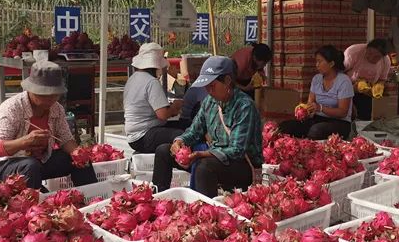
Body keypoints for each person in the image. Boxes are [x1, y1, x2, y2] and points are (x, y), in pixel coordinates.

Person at [153, 56, 263, 197]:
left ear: (228, 81)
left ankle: (207, 213)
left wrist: (201, 154)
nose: (208, 90)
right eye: (206, 86)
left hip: (243, 166)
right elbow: (194, 131)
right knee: (163, 151)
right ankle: (158, 200)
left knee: (204, 167)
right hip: (216, 158)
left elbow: (237, 151)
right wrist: (180, 141)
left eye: (212, 85)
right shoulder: (209, 102)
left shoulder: (244, 106)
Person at [0, 61, 97, 189]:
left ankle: (93, 198)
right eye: (45, 94)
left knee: (80, 160)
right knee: (30, 166)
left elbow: (66, 139)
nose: (50, 99)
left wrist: (76, 152)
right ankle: (31, 204)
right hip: (5, 165)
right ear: (31, 90)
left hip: (39, 161)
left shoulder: (56, 109)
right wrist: (25, 141)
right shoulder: (12, 108)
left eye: (54, 94)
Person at [278, 45, 354, 140]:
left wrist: (320, 108)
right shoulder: (316, 79)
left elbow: (343, 112)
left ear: (331, 64)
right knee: (285, 127)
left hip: (340, 123)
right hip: (317, 119)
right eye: (316, 61)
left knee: (316, 130)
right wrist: (305, 110)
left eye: (320, 61)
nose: (316, 65)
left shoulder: (344, 81)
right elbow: (311, 103)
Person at [123, 43, 184, 154]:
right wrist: (175, 107)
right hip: (143, 136)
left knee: (185, 124)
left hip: (134, 135)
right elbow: (163, 115)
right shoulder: (151, 82)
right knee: (183, 135)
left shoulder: (132, 79)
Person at [344, 39, 391, 121]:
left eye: (376, 57)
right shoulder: (353, 52)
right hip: (345, 89)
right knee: (348, 116)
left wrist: (379, 86)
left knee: (365, 117)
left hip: (366, 93)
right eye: (369, 53)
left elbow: (382, 79)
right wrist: (351, 88)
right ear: (367, 47)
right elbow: (337, 73)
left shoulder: (385, 61)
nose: (371, 58)